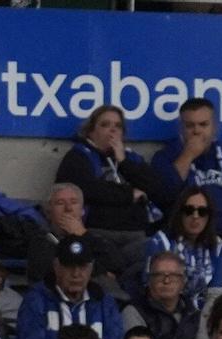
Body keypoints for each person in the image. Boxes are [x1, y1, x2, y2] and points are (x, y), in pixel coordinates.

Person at [55, 106, 159, 284]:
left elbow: (154, 188)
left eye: (117, 126)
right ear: (91, 131)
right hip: (96, 233)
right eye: (105, 125)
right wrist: (128, 194)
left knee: (156, 257)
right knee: (109, 270)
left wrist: (123, 162)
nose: (112, 130)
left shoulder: (131, 159)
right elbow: (86, 189)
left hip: (135, 235)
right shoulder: (78, 157)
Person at [18, 236, 125, 339]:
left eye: (82, 267)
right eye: (69, 266)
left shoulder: (105, 303)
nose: (76, 274)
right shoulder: (36, 300)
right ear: (56, 267)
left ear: (91, 268)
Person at [150, 97, 222, 233]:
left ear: (214, 127)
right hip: (185, 240)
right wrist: (188, 155)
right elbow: (164, 195)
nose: (197, 131)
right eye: (190, 126)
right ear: (181, 128)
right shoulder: (164, 157)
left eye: (203, 124)